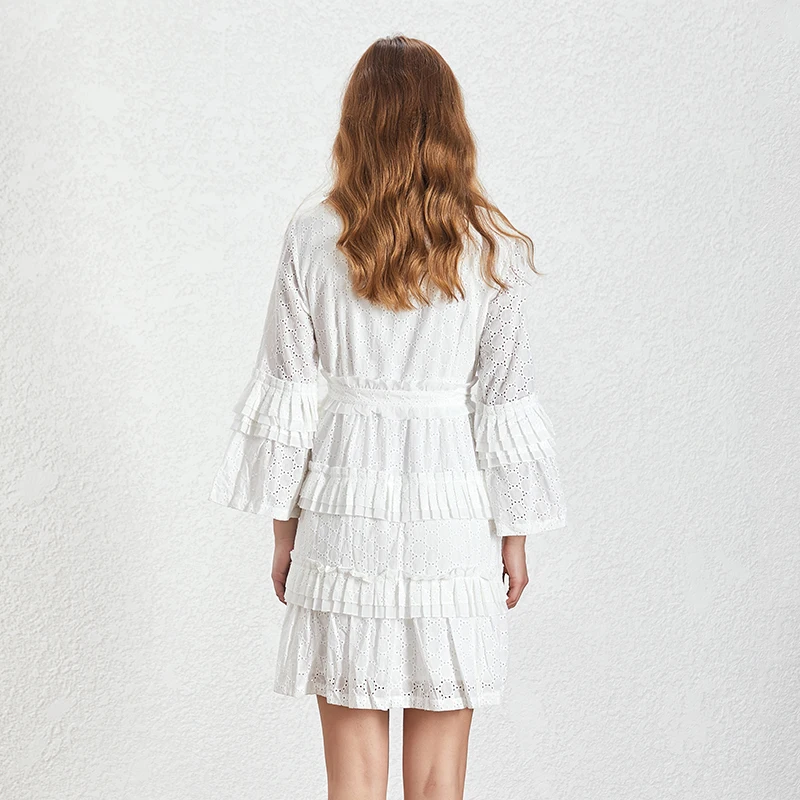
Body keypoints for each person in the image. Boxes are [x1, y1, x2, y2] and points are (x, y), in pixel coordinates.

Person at [208, 34, 567, 800]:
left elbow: (287, 387)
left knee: (353, 782)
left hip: (342, 513)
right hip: (451, 516)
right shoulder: (489, 244)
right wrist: (514, 535)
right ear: (449, 124)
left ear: (357, 121)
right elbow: (505, 398)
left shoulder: (313, 234)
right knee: (439, 782)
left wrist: (283, 532)